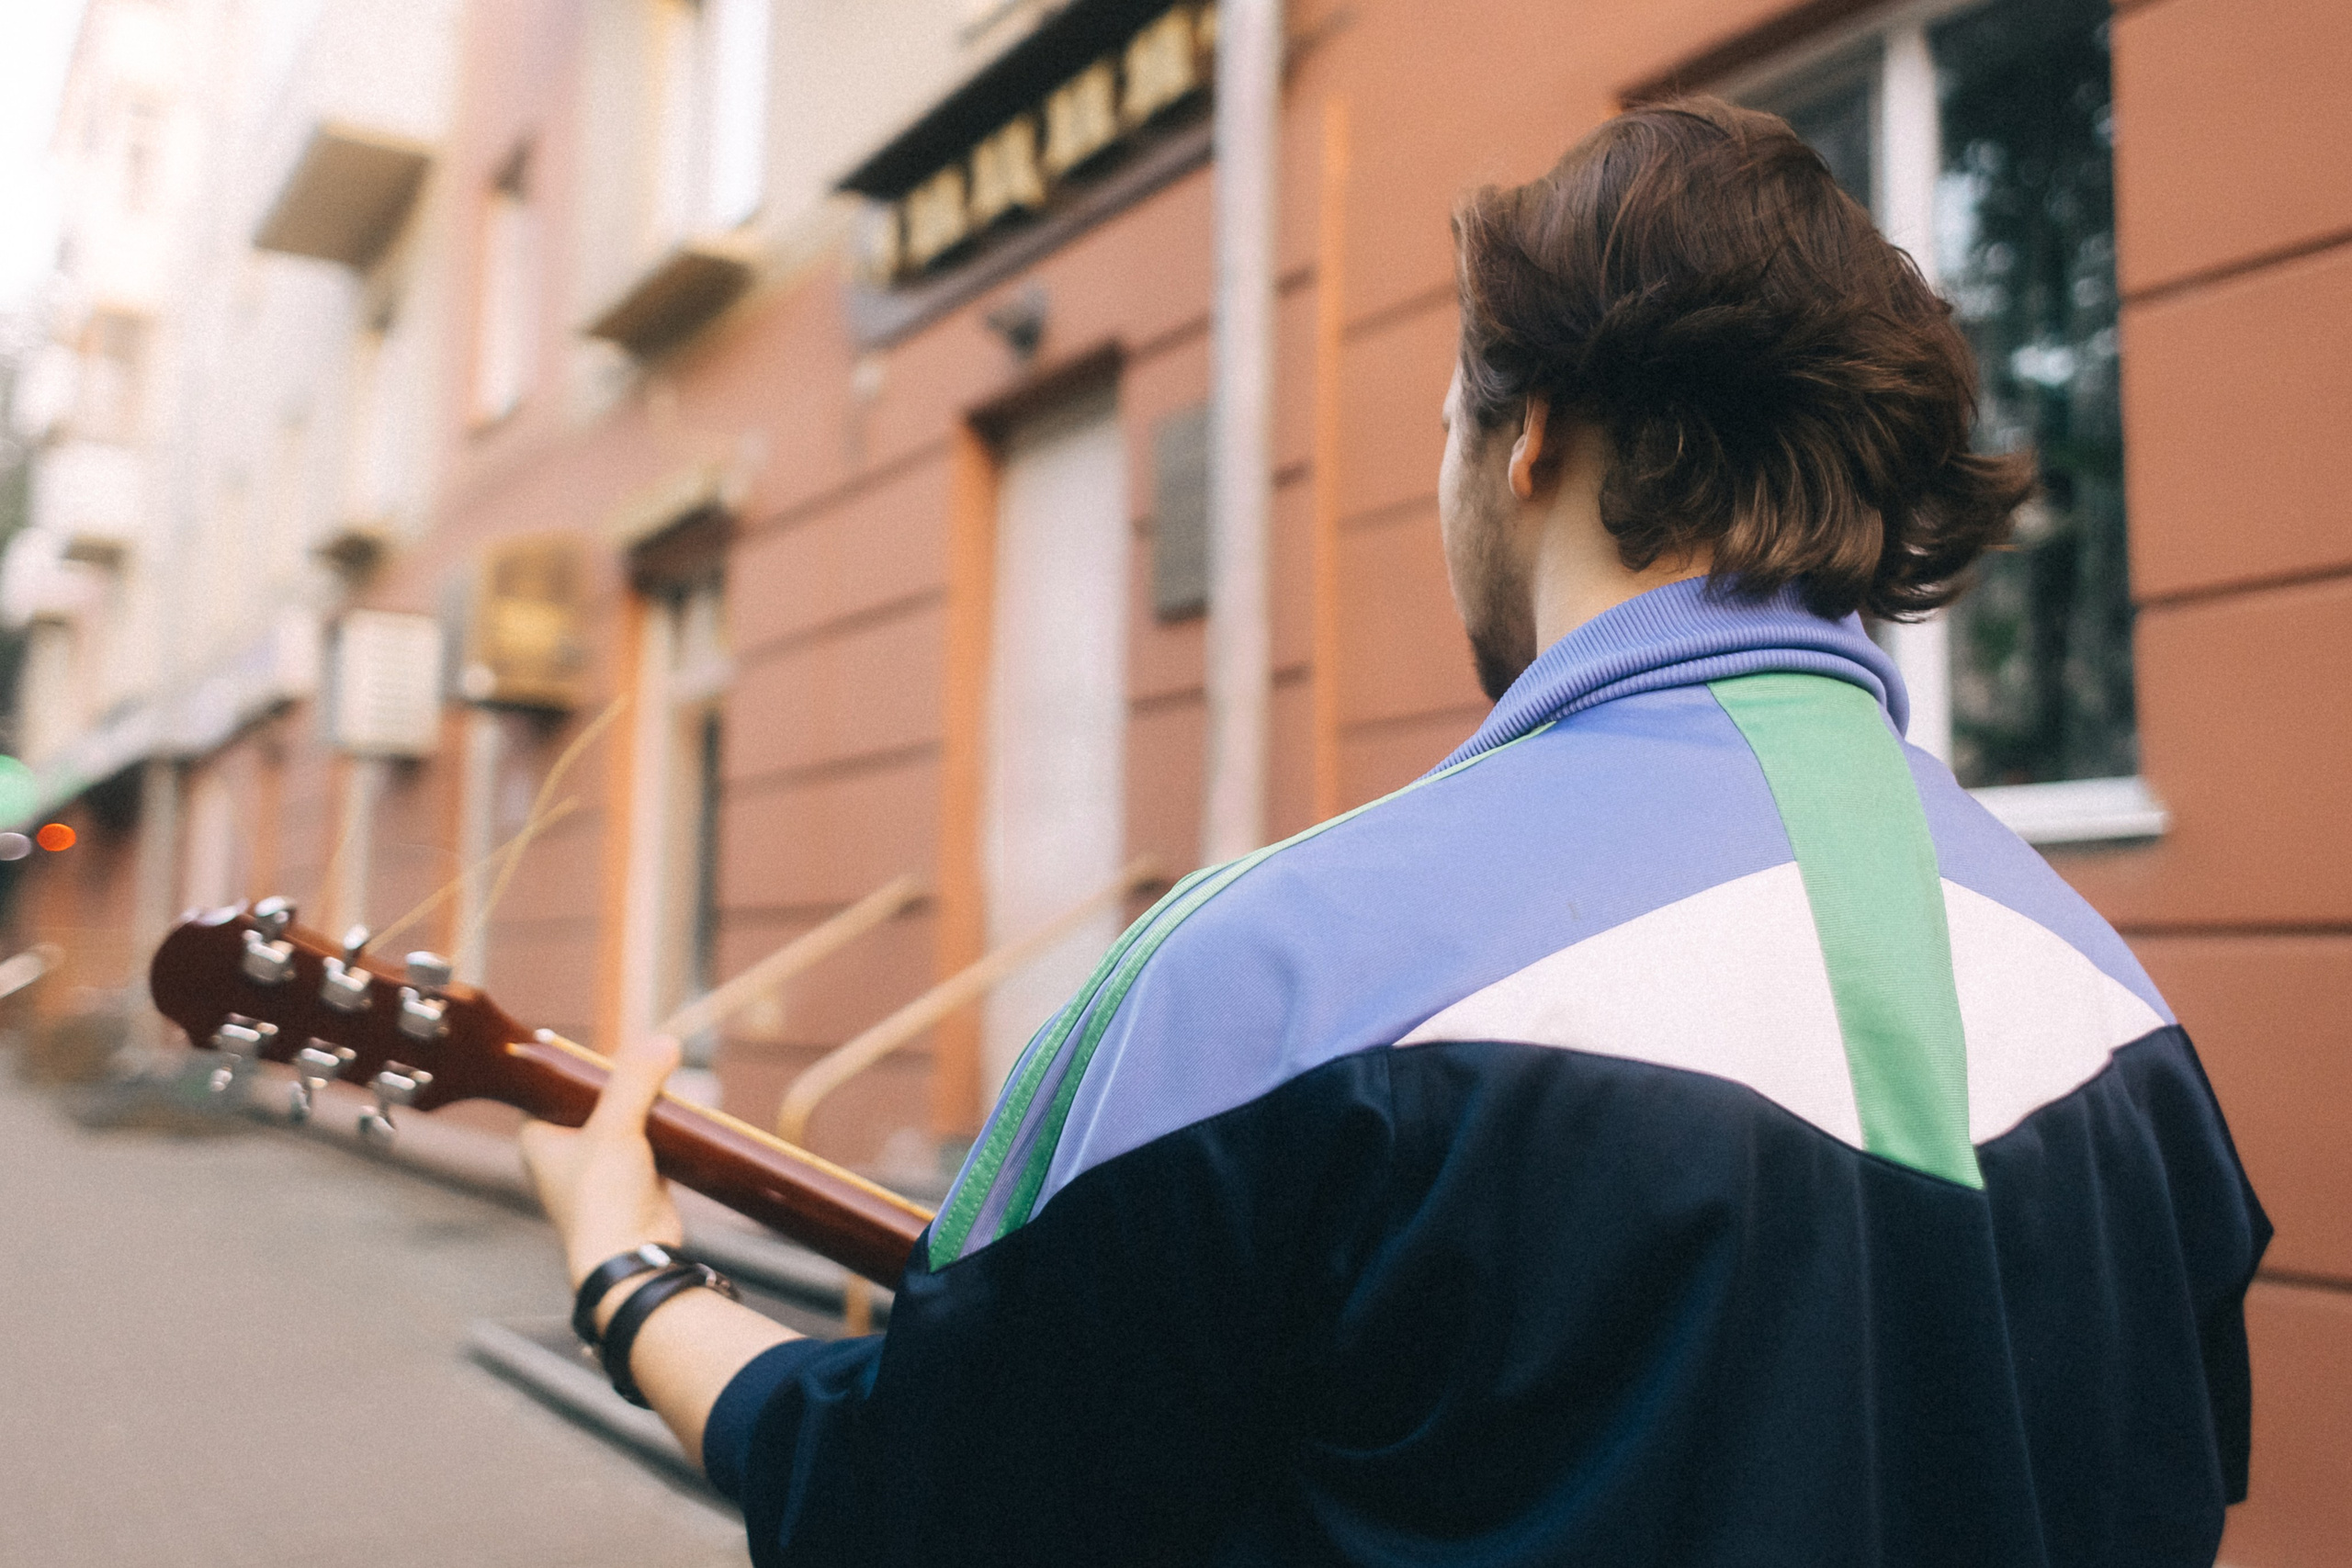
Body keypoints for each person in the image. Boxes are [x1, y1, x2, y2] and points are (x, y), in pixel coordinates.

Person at [524, 97, 2267, 1567]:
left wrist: (625, 1272)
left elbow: (915, 1504)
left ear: (1533, 441)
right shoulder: (2124, 1020)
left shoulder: (1275, 975)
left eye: (1449, 415)